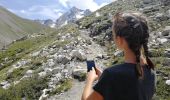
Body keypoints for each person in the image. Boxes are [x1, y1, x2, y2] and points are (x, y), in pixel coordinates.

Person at [81, 12, 156, 100]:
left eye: (114, 35)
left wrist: (90, 80)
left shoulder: (111, 75)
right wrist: (103, 79)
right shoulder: (151, 71)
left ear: (120, 40)